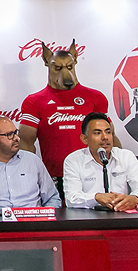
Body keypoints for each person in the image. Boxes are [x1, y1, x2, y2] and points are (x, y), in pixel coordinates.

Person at [18, 41, 121, 202]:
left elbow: (110, 136)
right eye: (57, 68)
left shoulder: (95, 98)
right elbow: (25, 145)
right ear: (47, 62)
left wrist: (119, 171)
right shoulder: (34, 102)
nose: (65, 72)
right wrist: (29, 178)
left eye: (69, 67)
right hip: (54, 177)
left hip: (94, 175)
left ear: (75, 61)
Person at [0, 116, 61, 210]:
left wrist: (45, 222)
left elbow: (52, 199)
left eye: (15, 133)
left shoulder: (33, 161)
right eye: (9, 135)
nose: (16, 138)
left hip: (32, 223)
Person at [63, 112, 138, 210]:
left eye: (108, 132)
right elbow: (71, 199)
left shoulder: (126, 156)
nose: (105, 137)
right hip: (88, 219)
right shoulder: (73, 160)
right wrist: (96, 197)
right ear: (85, 139)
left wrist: (135, 199)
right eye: (97, 133)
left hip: (122, 216)